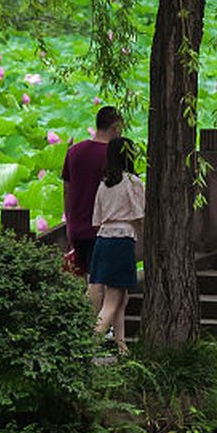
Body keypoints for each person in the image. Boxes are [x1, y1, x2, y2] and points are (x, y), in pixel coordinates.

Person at [88, 137, 146, 354]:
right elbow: (141, 215)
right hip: (122, 240)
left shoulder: (104, 184)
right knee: (112, 300)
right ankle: (87, 348)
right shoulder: (132, 182)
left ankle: (122, 347)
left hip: (103, 239)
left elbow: (97, 218)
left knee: (121, 297)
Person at [62, 105, 123, 310]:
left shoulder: (74, 152)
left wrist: (69, 224)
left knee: (86, 278)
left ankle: (85, 325)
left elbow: (66, 191)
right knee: (100, 283)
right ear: (115, 127)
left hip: (77, 227)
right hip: (103, 228)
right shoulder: (113, 156)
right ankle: (96, 329)